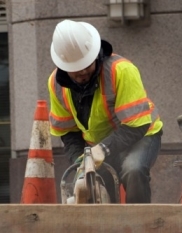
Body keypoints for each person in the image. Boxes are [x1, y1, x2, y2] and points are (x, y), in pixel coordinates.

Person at [47, 19, 163, 203]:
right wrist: (81, 161)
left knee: (133, 170)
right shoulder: (56, 84)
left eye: (86, 64)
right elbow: (69, 134)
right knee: (92, 185)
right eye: (75, 69)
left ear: (95, 55)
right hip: (96, 147)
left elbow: (137, 126)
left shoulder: (121, 70)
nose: (82, 72)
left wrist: (102, 148)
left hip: (141, 134)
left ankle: (139, 225)